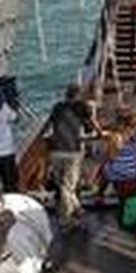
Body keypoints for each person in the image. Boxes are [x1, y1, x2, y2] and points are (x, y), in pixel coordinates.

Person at [45, 83, 97, 229]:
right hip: (73, 151)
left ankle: (75, 209)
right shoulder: (83, 107)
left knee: (62, 185)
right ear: (78, 94)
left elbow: (49, 124)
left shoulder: (57, 107)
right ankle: (66, 219)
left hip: (56, 150)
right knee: (67, 186)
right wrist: (99, 133)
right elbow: (92, 124)